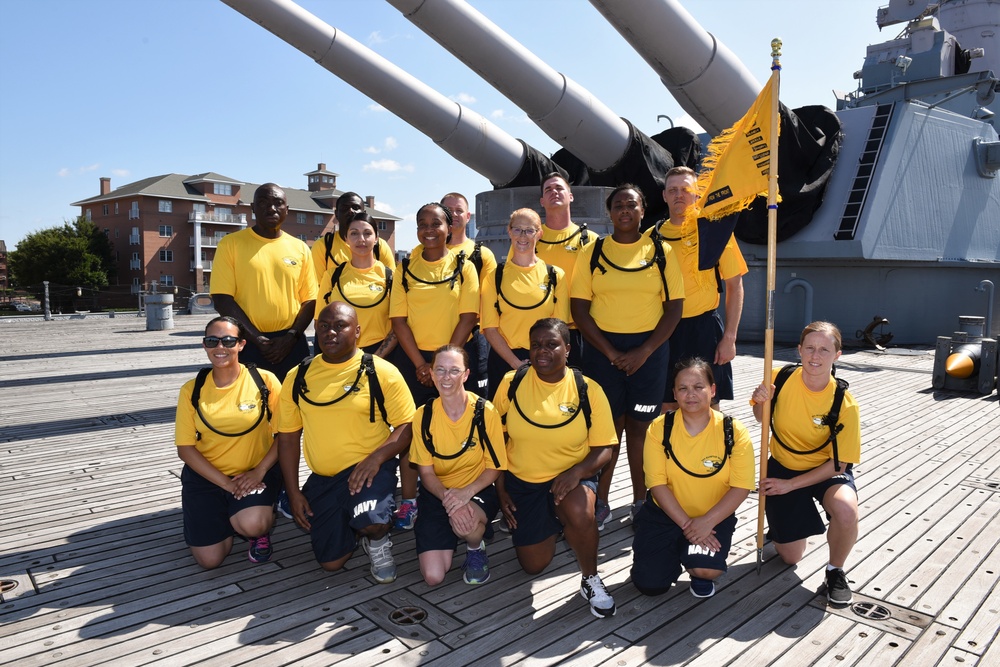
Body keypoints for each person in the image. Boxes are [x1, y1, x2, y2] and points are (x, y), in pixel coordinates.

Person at [570, 184, 685, 529]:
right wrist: (611, 352)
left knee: (641, 428)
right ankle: (601, 501)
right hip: (602, 351)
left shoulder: (661, 251)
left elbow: (674, 309)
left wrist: (643, 351)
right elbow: (579, 308)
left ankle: (640, 500)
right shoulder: (592, 252)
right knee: (607, 431)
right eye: (618, 205)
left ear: (642, 210)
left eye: (631, 204)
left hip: (650, 352)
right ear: (609, 212)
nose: (624, 210)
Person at [276, 302, 415, 582]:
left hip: (368, 471)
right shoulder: (298, 376)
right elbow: (288, 438)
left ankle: (376, 541)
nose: (331, 333)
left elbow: (407, 426)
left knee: (373, 522)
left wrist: (376, 459)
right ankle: (350, 523)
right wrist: (292, 492)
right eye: (324, 326)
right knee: (331, 563)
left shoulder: (381, 371)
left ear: (358, 331)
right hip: (324, 477)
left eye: (341, 325)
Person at [494, 318, 619, 618]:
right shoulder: (512, 382)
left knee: (580, 511)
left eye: (551, 344)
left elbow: (605, 447)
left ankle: (590, 578)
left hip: (570, 479)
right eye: (535, 345)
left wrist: (577, 473)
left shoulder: (587, 389)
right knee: (533, 565)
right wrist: (500, 488)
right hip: (524, 483)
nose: (542, 351)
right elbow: (494, 438)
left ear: (568, 348)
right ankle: (554, 522)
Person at [751, 321, 861, 606]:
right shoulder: (780, 377)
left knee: (847, 511)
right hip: (783, 465)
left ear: (837, 355)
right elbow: (762, 421)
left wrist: (791, 486)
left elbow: (839, 465)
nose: (816, 355)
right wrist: (762, 401)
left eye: (825, 349)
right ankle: (780, 528)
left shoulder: (844, 403)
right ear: (798, 350)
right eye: (810, 348)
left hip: (824, 471)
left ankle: (835, 571)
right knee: (791, 558)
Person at [389, 202, 480, 531]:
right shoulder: (406, 266)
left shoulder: (463, 266)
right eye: (422, 223)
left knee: (456, 427)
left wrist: (441, 363)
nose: (429, 229)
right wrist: (421, 364)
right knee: (410, 431)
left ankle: (460, 494)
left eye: (436, 223)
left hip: (452, 360)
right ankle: (410, 500)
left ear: (450, 226)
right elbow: (398, 320)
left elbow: (468, 317)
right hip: (413, 361)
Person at [631, 358, 754, 598]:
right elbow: (656, 484)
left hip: (714, 516)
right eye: (683, 388)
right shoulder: (659, 428)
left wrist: (707, 522)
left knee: (705, 569)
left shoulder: (733, 430)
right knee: (650, 585)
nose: (691, 394)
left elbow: (741, 487)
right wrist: (690, 526)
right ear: (674, 393)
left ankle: (694, 564)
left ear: (713, 390)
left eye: (699, 387)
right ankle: (677, 549)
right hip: (665, 515)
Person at [174, 316, 282, 569]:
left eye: (228, 340)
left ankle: (253, 527)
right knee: (210, 561)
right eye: (212, 341)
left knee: (253, 523)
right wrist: (226, 485)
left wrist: (259, 471)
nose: (219, 347)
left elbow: (284, 435)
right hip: (207, 477)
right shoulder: (192, 389)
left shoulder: (264, 381)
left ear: (241, 344)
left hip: (253, 474)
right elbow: (186, 449)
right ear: (204, 345)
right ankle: (224, 511)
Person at [409, 345, 506, 586]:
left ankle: (475, 547)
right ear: (431, 374)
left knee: (467, 527)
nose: (446, 377)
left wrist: (466, 494)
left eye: (454, 371)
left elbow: (495, 467)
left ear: (466, 375)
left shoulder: (485, 411)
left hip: (476, 488)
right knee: (433, 576)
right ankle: (456, 530)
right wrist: (449, 498)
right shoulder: (423, 415)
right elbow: (426, 472)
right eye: (440, 370)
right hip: (438, 492)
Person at [653, 166, 747, 413]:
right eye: (672, 190)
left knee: (708, 403)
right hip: (663, 330)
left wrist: (730, 337)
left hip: (703, 329)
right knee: (666, 404)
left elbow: (735, 286)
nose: (678, 195)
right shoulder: (652, 237)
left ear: (697, 194)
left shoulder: (714, 234)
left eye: (685, 189)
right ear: (664, 196)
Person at [211, 183, 316, 381]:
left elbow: (311, 300)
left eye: (278, 203)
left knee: (294, 406)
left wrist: (291, 336)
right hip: (247, 343)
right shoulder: (230, 244)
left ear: (287, 210)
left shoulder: (300, 248)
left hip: (292, 343)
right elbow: (222, 298)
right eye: (263, 203)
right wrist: (258, 339)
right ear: (252, 208)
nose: (271, 208)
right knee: (251, 407)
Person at [481, 208, 569, 399]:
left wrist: (541, 360)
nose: (523, 236)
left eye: (530, 230)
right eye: (518, 229)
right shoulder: (493, 277)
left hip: (546, 360)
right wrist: (516, 364)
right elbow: (489, 328)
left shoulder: (555, 275)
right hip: (505, 361)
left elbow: (559, 328)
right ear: (509, 231)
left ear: (539, 233)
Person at [315, 212, 396, 358]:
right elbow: (319, 322)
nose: (361, 239)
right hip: (341, 355)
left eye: (367, 233)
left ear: (376, 238)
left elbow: (398, 325)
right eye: (354, 233)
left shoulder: (390, 276)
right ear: (346, 239)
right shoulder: (332, 276)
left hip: (383, 356)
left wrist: (375, 359)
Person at [537, 172, 595, 368]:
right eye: (548, 189)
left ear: (571, 196)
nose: (554, 192)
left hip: (582, 333)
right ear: (542, 201)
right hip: (541, 333)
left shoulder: (590, 240)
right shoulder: (529, 241)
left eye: (560, 188)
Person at [441, 192, 497, 397]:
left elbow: (489, 302)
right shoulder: (425, 253)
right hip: (433, 337)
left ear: (468, 216)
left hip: (473, 342)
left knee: (474, 402)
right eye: (449, 210)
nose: (454, 214)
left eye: (459, 210)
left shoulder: (481, 255)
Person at [311, 191, 396, 285]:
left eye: (356, 208)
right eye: (344, 208)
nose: (350, 211)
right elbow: (317, 287)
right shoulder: (324, 246)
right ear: (336, 214)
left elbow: (393, 283)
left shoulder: (379, 245)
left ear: (364, 213)